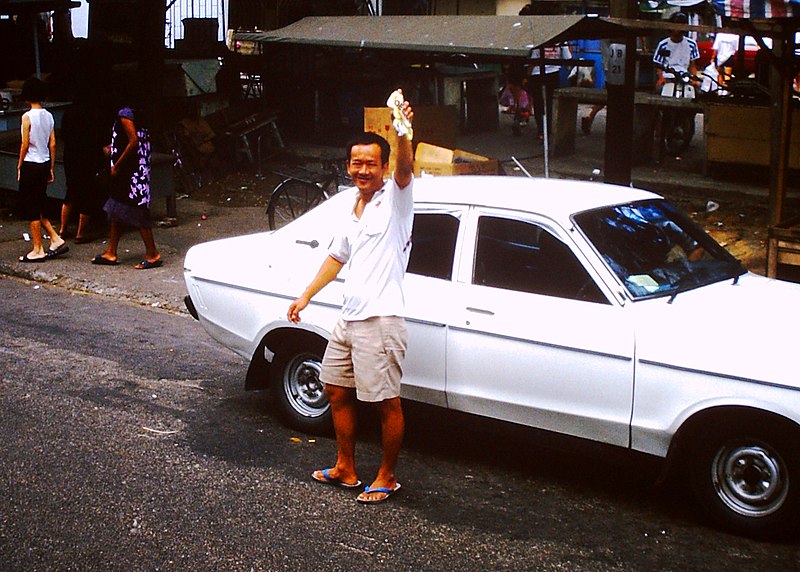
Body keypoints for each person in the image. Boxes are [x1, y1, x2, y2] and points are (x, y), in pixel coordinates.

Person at [287, 91, 414, 505]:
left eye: (371, 164)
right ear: (348, 167)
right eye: (356, 163)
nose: (363, 170)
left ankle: (387, 476)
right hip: (349, 318)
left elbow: (405, 168)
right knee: (336, 389)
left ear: (382, 166)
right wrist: (305, 295)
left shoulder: (395, 200)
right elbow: (336, 256)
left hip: (381, 319)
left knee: (384, 402)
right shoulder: (351, 205)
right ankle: (346, 468)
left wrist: (402, 134)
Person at [91, 105, 162, 269]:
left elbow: (133, 142)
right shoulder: (140, 114)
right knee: (118, 208)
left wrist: (117, 165)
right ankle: (111, 251)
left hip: (131, 173)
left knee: (137, 210)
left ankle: (152, 254)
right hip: (136, 169)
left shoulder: (125, 114)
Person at [16, 76, 68, 263]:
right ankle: (55, 238)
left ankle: (37, 248)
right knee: (38, 203)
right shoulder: (49, 116)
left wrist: (20, 165)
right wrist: (51, 167)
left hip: (31, 163)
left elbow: (24, 144)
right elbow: (53, 144)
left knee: (31, 206)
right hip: (45, 161)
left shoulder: (27, 117)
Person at [58, 84, 107, 243]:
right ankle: (81, 233)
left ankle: (63, 229)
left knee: (70, 192)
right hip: (88, 156)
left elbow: (63, 134)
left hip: (71, 155)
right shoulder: (94, 114)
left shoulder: (68, 112)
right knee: (88, 193)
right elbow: (98, 138)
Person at [652, 12, 700, 92]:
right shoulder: (663, 44)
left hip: (684, 76)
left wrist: (694, 78)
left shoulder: (691, 44)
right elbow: (658, 64)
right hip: (668, 76)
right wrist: (661, 78)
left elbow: (693, 65)